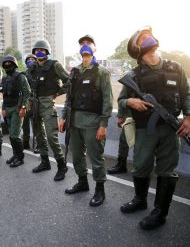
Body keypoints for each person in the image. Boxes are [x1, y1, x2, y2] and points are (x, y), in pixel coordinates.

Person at [118, 26, 190, 230]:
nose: (148, 38)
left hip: (171, 128)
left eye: (148, 35)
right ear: (137, 49)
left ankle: (160, 213)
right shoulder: (134, 75)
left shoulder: (176, 67)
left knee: (167, 169)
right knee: (140, 165)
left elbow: (186, 94)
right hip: (144, 129)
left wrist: (189, 117)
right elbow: (121, 100)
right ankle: (140, 200)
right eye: (142, 38)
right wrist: (131, 103)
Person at [59, 35, 113, 206]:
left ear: (95, 48)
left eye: (88, 44)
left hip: (93, 122)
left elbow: (107, 100)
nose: (85, 46)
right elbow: (69, 97)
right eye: (82, 44)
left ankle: (99, 189)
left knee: (96, 157)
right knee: (76, 156)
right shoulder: (74, 71)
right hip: (74, 121)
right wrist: (63, 118)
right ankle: (82, 182)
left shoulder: (102, 72)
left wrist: (103, 125)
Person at [26, 39, 70, 181]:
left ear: (47, 52)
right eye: (37, 50)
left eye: (42, 50)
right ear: (34, 53)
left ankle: (61, 166)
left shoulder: (54, 65)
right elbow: (26, 84)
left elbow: (69, 82)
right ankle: (45, 162)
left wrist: (57, 93)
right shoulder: (31, 68)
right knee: (39, 135)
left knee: (52, 136)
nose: (39, 52)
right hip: (34, 103)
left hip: (47, 103)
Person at [1, 55, 31, 167]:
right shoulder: (4, 78)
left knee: (14, 135)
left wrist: (23, 107)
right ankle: (15, 154)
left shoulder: (20, 77)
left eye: (10, 63)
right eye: (5, 64)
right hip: (7, 108)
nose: (8, 66)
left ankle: (20, 158)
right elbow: (4, 95)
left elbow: (27, 93)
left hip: (17, 109)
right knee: (11, 135)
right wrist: (3, 108)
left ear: (15, 65)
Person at [22, 54, 39, 153]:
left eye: (33, 59)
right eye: (28, 59)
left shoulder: (38, 73)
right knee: (25, 123)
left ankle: (37, 145)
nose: (31, 60)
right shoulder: (23, 74)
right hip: (26, 101)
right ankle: (25, 142)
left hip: (36, 101)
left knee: (36, 124)